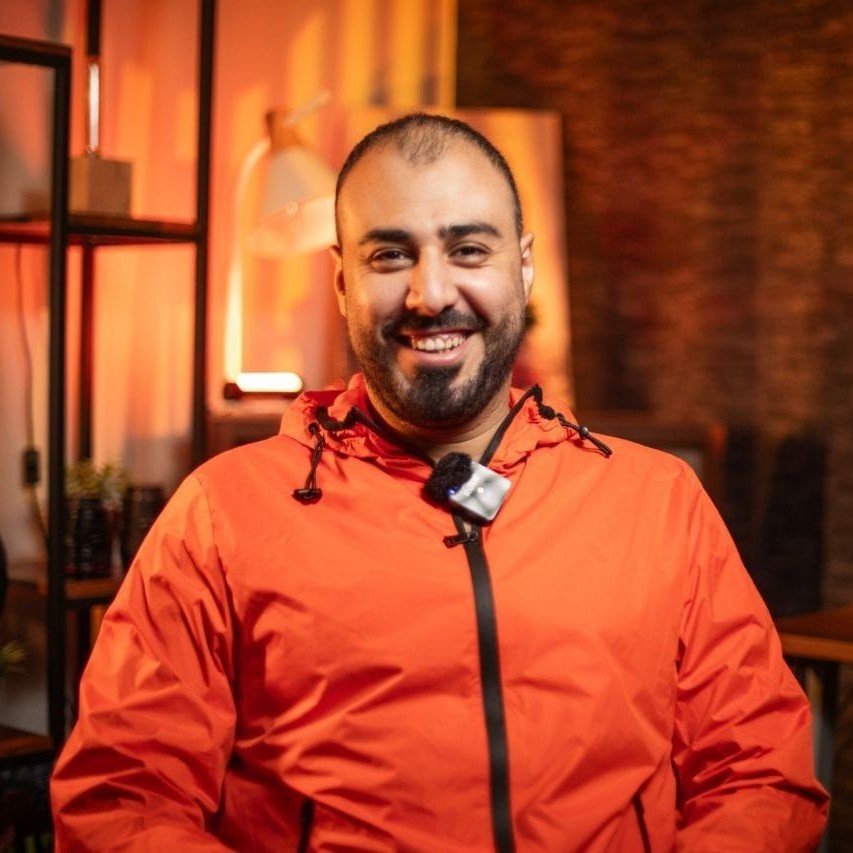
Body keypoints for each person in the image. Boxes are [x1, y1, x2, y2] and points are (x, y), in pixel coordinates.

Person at [51, 113, 828, 851]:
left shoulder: (657, 501)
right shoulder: (222, 514)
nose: (430, 294)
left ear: (522, 266)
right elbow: (122, 796)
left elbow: (759, 770)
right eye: (390, 255)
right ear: (342, 281)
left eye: (468, 249)